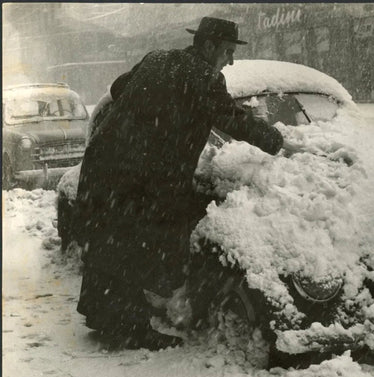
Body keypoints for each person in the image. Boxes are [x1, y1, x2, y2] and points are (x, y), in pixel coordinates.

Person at [75, 17, 285, 350]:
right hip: (138, 174)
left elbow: (117, 89)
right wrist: (278, 142)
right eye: (228, 51)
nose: (230, 60)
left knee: (110, 241)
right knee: (134, 244)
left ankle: (102, 316)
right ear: (208, 45)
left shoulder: (157, 58)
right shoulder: (205, 78)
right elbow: (233, 120)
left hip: (106, 163)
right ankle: (131, 330)